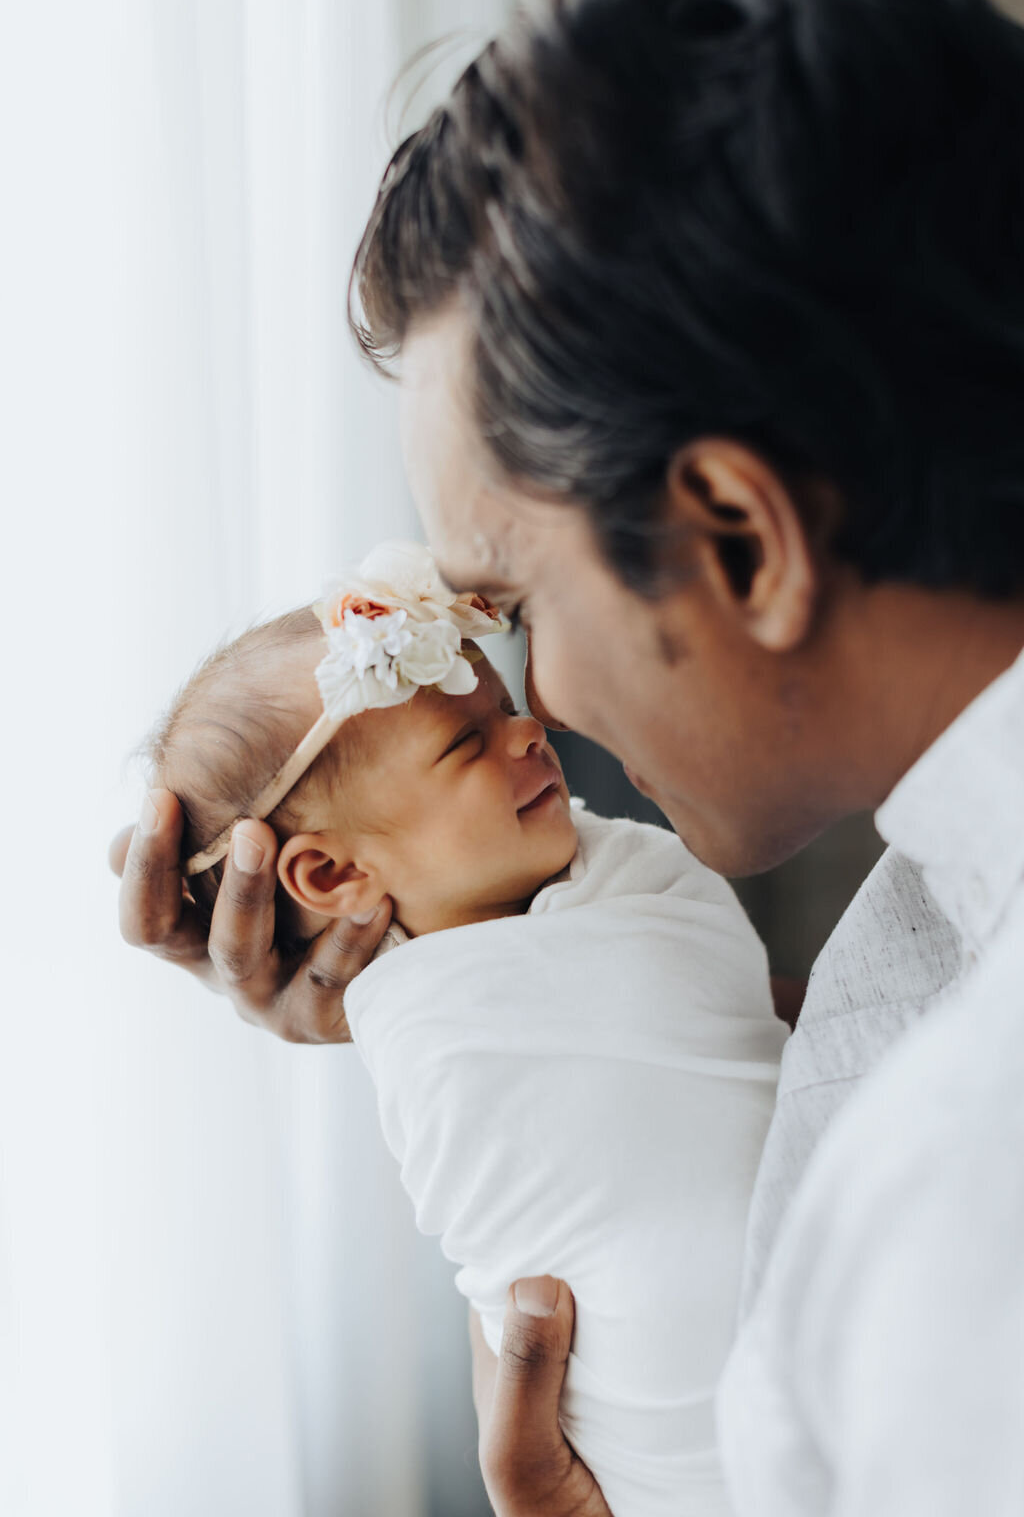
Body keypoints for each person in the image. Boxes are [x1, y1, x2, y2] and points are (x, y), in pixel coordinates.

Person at [113, 0, 1024, 1511]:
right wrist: (492, 1009)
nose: (541, 707)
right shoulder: (935, 946)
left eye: (508, 603)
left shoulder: (956, 1218)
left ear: (740, 540)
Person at [146, 539, 787, 1516]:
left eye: (504, 707)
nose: (528, 731)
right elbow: (510, 1232)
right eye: (463, 744)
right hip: (675, 1434)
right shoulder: (425, 1020)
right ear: (330, 877)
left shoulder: (619, 882)